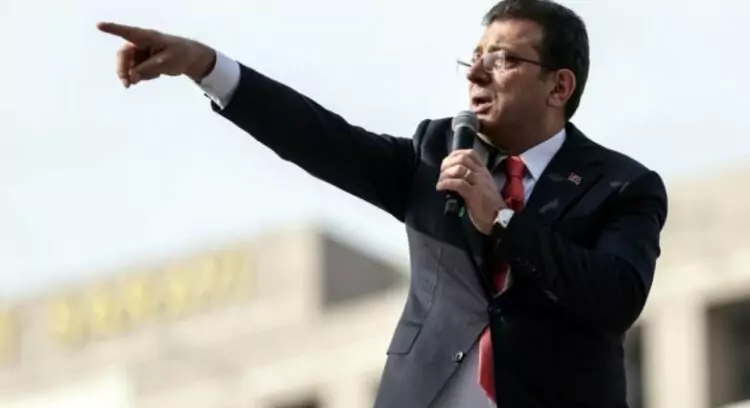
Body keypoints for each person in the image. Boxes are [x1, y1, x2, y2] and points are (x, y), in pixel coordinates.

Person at [98, 0, 668, 406]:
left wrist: (500, 218)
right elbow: (320, 138)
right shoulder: (435, 152)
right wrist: (204, 65)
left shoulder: (621, 185)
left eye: (503, 59)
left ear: (559, 86)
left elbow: (616, 297)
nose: (476, 72)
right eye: (474, 57)